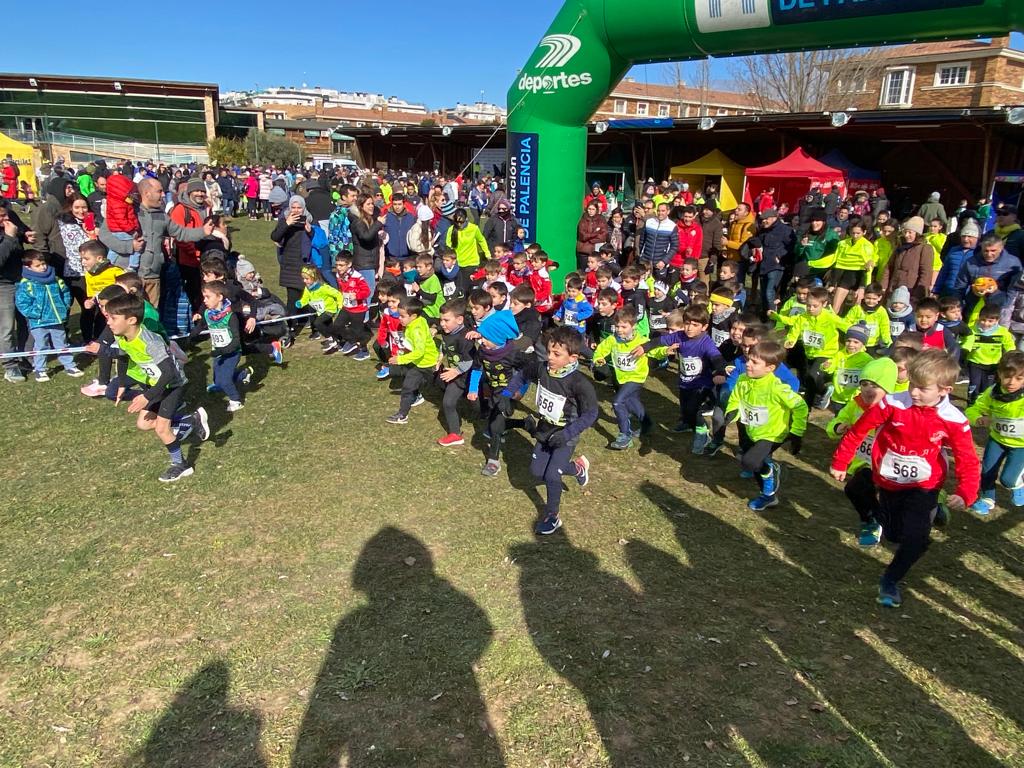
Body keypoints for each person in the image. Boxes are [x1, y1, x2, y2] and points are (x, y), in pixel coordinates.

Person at [831, 349, 979, 608]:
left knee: (915, 538)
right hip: (889, 481)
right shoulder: (893, 403)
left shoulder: (953, 419)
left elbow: (967, 457)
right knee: (893, 535)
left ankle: (890, 579)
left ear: (945, 389)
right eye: (911, 384)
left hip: (924, 486)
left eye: (922, 389)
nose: (913, 392)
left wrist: (967, 491)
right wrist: (841, 462)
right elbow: (859, 430)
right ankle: (924, 526)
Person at [105, 292, 209, 482]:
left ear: (131, 320)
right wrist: (121, 384)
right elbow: (122, 357)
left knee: (162, 429)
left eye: (113, 318)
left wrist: (147, 396)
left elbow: (169, 373)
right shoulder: (121, 337)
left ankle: (180, 465)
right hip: (156, 384)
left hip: (172, 385)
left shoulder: (150, 342)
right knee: (143, 424)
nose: (109, 322)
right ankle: (191, 421)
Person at [518, 325, 597, 535]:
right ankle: (577, 468)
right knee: (537, 472)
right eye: (549, 351)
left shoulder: (580, 383)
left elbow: (591, 414)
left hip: (566, 434)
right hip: (544, 429)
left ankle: (552, 516)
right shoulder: (543, 368)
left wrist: (567, 434)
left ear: (573, 358)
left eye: (556, 354)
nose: (549, 357)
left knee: (553, 475)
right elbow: (523, 374)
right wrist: (508, 394)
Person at [101, 177, 212, 307]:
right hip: (126, 276)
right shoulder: (126, 210)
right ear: (147, 193)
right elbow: (104, 235)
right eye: (159, 191)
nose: (164, 194)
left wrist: (203, 231)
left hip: (152, 277)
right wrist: (129, 246)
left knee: (151, 316)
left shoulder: (162, 216)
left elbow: (181, 233)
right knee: (125, 314)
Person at [724, 340, 808, 511]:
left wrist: (797, 432)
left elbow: (800, 406)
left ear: (770, 368)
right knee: (754, 464)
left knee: (750, 462)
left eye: (755, 362)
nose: (748, 363)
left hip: (772, 433)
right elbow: (735, 399)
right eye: (748, 359)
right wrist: (732, 412)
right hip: (752, 430)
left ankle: (771, 471)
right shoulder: (743, 379)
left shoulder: (777, 388)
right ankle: (768, 496)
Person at [825, 357, 899, 545]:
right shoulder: (854, 404)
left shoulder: (898, 409)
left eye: (874, 384)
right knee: (854, 489)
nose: (867, 389)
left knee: (903, 501)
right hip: (865, 463)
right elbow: (834, 424)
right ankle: (871, 521)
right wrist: (837, 426)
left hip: (893, 465)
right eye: (864, 384)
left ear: (888, 388)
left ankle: (935, 504)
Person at [641, 305, 727, 451]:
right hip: (684, 382)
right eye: (687, 323)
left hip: (702, 383)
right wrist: (644, 347)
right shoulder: (680, 336)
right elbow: (661, 341)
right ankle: (690, 424)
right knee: (686, 411)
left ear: (704, 327)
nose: (689, 328)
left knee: (692, 409)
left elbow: (716, 357)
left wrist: (720, 372)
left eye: (695, 325)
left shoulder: (706, 342)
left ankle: (702, 432)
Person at [592, 305, 663, 450]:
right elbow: (601, 350)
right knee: (632, 402)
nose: (619, 330)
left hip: (636, 378)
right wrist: (598, 359)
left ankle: (625, 435)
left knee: (618, 402)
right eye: (617, 326)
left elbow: (655, 351)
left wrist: (666, 350)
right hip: (622, 378)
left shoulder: (641, 341)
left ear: (634, 326)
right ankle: (647, 424)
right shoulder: (613, 340)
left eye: (624, 327)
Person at [965, 351, 1024, 513]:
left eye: (1019, 378)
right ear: (999, 374)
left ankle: (1017, 484)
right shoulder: (992, 392)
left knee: (1008, 479)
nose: (1011, 382)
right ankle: (987, 499)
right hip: (997, 440)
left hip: (1020, 445)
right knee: (987, 470)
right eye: (1007, 376)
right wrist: (977, 418)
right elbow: (974, 408)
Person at [14, 250, 83, 381]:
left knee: (62, 343)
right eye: (38, 265)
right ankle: (40, 369)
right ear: (28, 267)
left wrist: (64, 306)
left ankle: (70, 365)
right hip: (39, 322)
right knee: (41, 345)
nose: (43, 267)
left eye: (43, 263)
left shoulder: (56, 280)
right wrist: (36, 313)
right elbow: (22, 303)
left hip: (57, 319)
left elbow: (66, 293)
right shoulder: (26, 284)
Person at [188, 280, 248, 413]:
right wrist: (193, 335)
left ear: (220, 297)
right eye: (204, 297)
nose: (204, 300)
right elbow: (202, 325)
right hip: (218, 351)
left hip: (232, 352)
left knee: (224, 380)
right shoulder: (208, 313)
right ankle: (242, 375)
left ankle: (236, 400)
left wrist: (222, 350)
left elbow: (236, 341)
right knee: (217, 380)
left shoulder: (230, 317)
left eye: (208, 297)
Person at [386, 295, 441, 425]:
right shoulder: (418, 321)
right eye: (399, 315)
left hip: (427, 364)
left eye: (402, 316)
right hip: (420, 364)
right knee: (408, 386)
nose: (400, 319)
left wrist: (400, 359)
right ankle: (402, 413)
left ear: (414, 316)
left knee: (440, 385)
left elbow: (419, 352)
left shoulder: (416, 330)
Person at [272, 196, 317, 333]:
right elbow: (275, 237)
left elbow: (315, 238)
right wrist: (287, 223)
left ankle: (313, 324)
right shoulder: (284, 219)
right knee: (292, 297)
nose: (296, 211)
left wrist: (310, 232)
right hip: (290, 263)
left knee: (310, 294)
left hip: (305, 262)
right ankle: (291, 327)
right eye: (294, 207)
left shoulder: (308, 219)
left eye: (299, 208)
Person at [435, 299, 476, 447]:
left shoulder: (465, 339)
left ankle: (457, 434)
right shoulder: (448, 331)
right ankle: (455, 433)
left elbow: (470, 360)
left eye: (446, 320)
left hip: (468, 376)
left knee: (474, 406)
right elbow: (445, 346)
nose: (442, 324)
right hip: (455, 374)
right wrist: (440, 358)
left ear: (459, 320)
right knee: (447, 400)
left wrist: (456, 371)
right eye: (441, 320)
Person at [169, 178, 211, 313]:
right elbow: (179, 236)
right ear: (189, 192)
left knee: (205, 291)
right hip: (187, 260)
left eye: (202, 191)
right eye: (197, 191)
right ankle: (192, 319)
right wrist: (194, 252)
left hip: (205, 257)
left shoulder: (206, 207)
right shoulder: (180, 210)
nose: (200, 194)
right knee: (191, 292)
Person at [961, 302, 1015, 404]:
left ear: (997, 321)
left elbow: (1009, 345)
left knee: (987, 387)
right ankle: (971, 403)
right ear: (979, 317)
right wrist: (964, 351)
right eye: (983, 320)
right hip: (975, 362)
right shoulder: (971, 329)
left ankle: (984, 404)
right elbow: (967, 341)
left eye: (990, 321)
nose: (986, 323)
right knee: (974, 385)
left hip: (993, 364)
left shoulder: (1002, 332)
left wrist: (1011, 356)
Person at [880, 217, 933, 304]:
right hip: (894, 287)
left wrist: (918, 294)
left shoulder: (925, 248)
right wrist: (884, 286)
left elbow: (925, 273)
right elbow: (889, 267)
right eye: (905, 232)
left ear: (917, 234)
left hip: (911, 290)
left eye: (910, 232)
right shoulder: (900, 246)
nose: (906, 235)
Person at [829, 222, 874, 313]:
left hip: (860, 276)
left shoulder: (867, 246)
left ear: (864, 232)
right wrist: (833, 284)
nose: (855, 235)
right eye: (853, 233)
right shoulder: (843, 244)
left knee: (856, 307)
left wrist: (862, 287)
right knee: (835, 306)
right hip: (846, 276)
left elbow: (867, 269)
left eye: (858, 233)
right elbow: (837, 263)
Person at [334, 253, 372, 359]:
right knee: (337, 325)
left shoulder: (357, 277)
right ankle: (351, 341)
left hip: (359, 309)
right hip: (346, 307)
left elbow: (367, 291)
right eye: (337, 265)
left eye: (341, 265)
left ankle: (364, 351)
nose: (338, 267)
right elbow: (342, 288)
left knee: (357, 331)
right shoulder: (338, 275)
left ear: (349, 264)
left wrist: (357, 296)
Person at [637, 202, 677, 266]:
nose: (660, 213)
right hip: (645, 261)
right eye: (658, 211)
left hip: (660, 263)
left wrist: (664, 261)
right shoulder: (649, 222)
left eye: (663, 211)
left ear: (668, 211)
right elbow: (642, 240)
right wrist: (641, 256)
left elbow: (674, 246)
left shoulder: (672, 226)